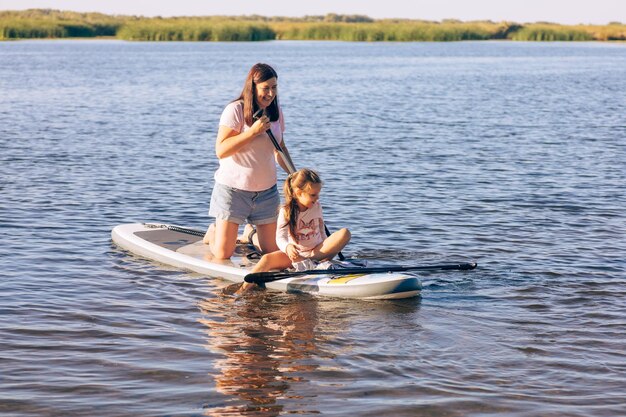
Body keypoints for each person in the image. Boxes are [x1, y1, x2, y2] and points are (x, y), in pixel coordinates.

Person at [203, 63, 294, 259]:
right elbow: (221, 150)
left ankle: (250, 233)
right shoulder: (235, 110)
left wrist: (294, 176)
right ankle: (213, 234)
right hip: (233, 191)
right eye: (266, 88)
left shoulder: (276, 111)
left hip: (266, 193)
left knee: (273, 252)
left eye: (274, 87)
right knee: (223, 254)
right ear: (253, 87)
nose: (270, 93)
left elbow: (280, 149)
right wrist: (252, 132)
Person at [241, 168, 351, 291]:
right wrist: (288, 248)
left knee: (344, 233)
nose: (317, 198)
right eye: (313, 195)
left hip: (316, 252)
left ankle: (312, 263)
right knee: (266, 259)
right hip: (295, 255)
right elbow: (280, 237)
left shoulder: (317, 206)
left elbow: (321, 229)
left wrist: (328, 251)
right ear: (298, 193)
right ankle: (242, 290)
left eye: (318, 194)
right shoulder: (286, 211)